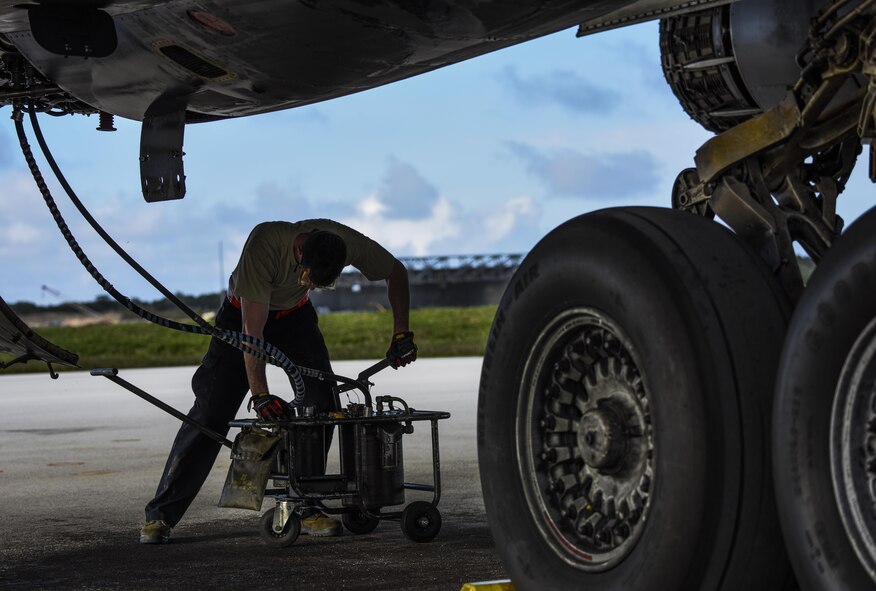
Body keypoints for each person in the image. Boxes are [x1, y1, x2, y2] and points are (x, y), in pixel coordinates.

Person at [139, 219, 417, 544]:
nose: (310, 286)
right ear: (299, 251)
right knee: (211, 413)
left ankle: (305, 504)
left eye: (318, 285)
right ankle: (161, 515)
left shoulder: (344, 241)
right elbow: (252, 333)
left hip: (295, 318)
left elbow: (396, 271)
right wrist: (260, 395)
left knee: (323, 406)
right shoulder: (265, 244)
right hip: (243, 315)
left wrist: (401, 332)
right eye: (307, 279)